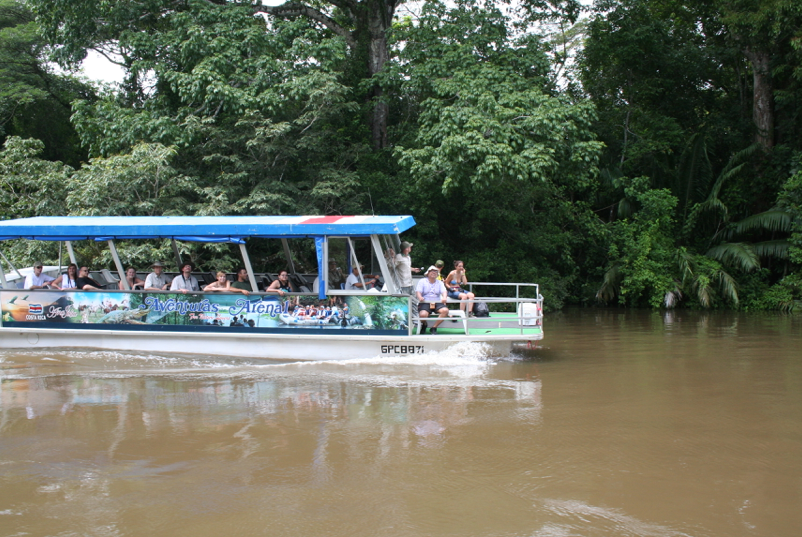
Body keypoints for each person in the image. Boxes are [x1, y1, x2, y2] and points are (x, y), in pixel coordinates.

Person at [415, 265, 449, 334]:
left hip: (437, 301)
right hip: (425, 301)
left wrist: (444, 297)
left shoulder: (440, 282)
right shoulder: (422, 281)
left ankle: (434, 327)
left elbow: (444, 291)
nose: (433, 272)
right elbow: (418, 291)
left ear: (437, 274)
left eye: (435, 272)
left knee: (445, 311)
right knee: (422, 315)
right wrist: (420, 297)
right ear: (428, 273)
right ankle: (424, 324)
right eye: (432, 271)